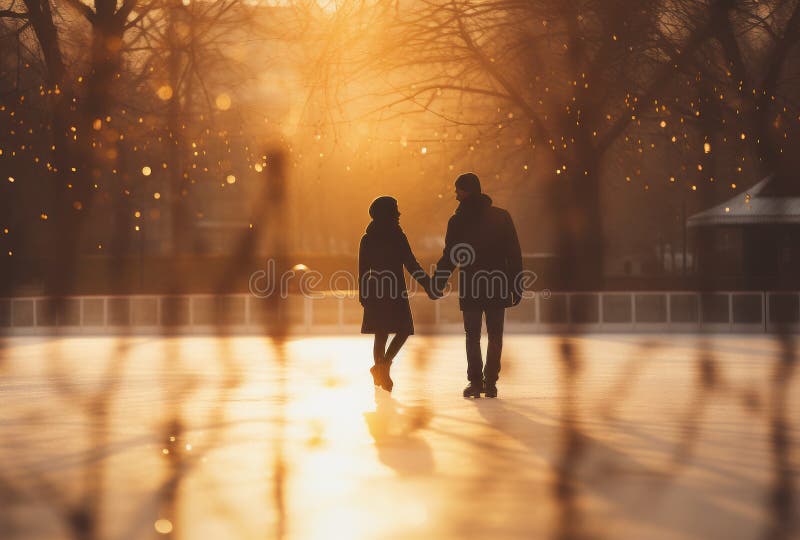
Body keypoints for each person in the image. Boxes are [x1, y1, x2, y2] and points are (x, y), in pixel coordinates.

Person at [431, 173, 523, 398]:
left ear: (466, 191)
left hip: (472, 284)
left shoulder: (458, 221)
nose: (455, 195)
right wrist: (516, 284)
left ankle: (475, 382)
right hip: (497, 284)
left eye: (458, 190)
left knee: (472, 334)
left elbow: (451, 255)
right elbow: (514, 254)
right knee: (495, 335)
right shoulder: (501, 217)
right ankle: (490, 381)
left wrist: (437, 282)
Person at [359, 196, 432, 392]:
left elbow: (363, 270)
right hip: (393, 290)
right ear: (388, 213)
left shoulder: (368, 238)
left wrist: (364, 294)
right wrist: (428, 284)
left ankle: (381, 368)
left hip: (376, 290)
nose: (399, 214)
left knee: (382, 333)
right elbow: (411, 263)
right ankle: (383, 369)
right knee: (402, 329)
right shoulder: (396, 236)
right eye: (395, 210)